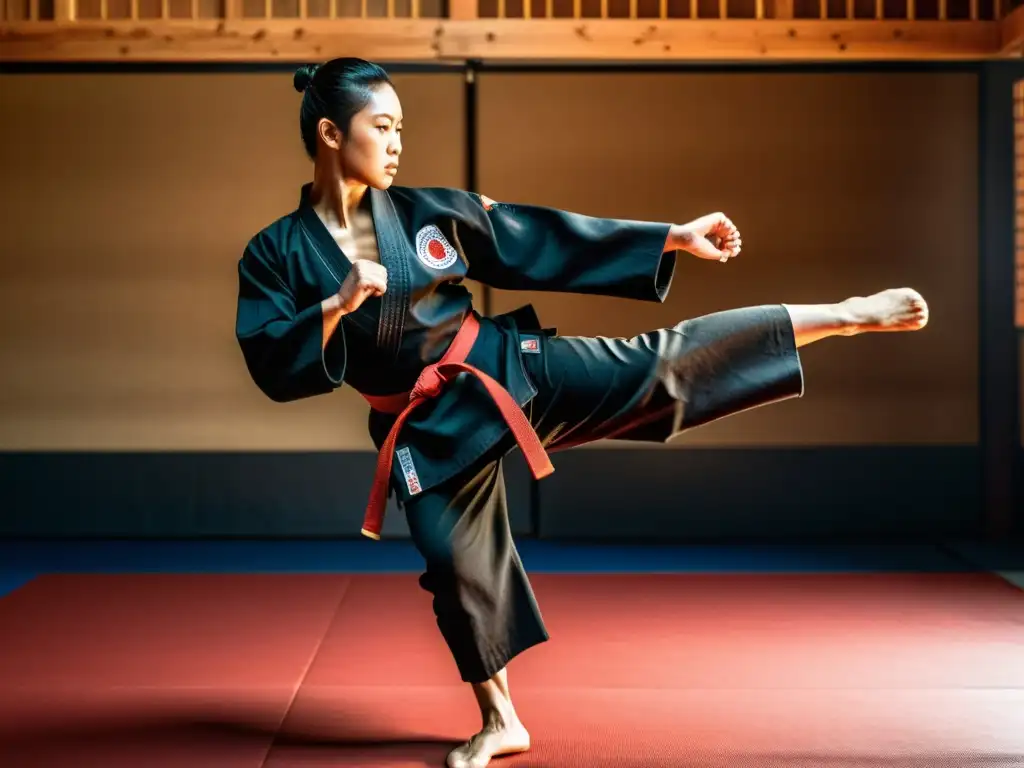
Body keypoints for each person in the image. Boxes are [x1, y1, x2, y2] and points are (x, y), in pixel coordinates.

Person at [234, 57, 929, 768]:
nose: (397, 142)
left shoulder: (425, 212)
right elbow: (270, 358)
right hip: (423, 426)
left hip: (503, 369)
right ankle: (501, 719)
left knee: (657, 365)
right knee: (452, 560)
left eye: (401, 128)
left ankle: (840, 314)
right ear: (329, 132)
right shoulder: (275, 253)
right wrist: (337, 303)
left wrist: (668, 237)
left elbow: (537, 237)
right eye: (382, 127)